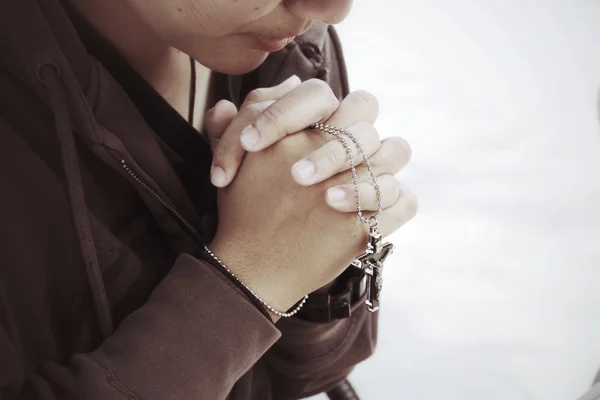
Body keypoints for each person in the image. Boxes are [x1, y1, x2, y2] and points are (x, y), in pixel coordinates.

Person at [0, 0, 418, 399]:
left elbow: (314, 372)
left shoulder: (292, 53)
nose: (333, 10)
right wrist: (246, 283)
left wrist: (318, 260)